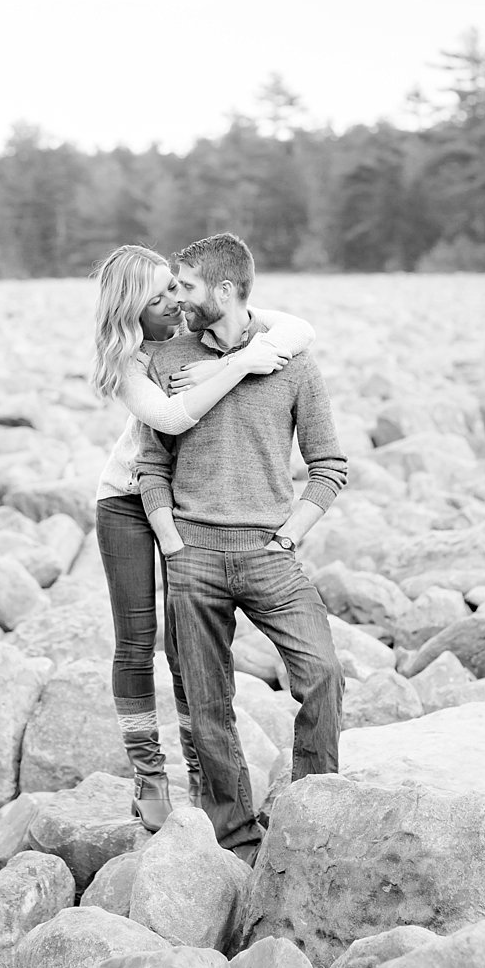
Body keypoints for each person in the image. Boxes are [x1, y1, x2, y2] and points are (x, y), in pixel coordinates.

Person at [134, 232, 347, 866]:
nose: (177, 297)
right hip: (192, 552)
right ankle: (236, 837)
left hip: (268, 551)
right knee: (207, 705)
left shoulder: (294, 364)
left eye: (187, 286)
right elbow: (152, 464)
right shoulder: (168, 360)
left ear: (223, 290)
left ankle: (311, 813)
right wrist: (172, 541)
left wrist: (293, 531)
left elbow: (329, 463)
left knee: (323, 676)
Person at [91, 244, 314, 831]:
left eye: (174, 286)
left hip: (187, 501)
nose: (173, 301)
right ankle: (148, 777)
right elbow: (169, 421)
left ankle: (203, 774)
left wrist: (226, 360)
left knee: (184, 647)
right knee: (137, 640)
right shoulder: (131, 362)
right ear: (130, 309)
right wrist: (238, 365)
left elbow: (298, 327)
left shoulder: (199, 329)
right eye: (158, 296)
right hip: (127, 503)